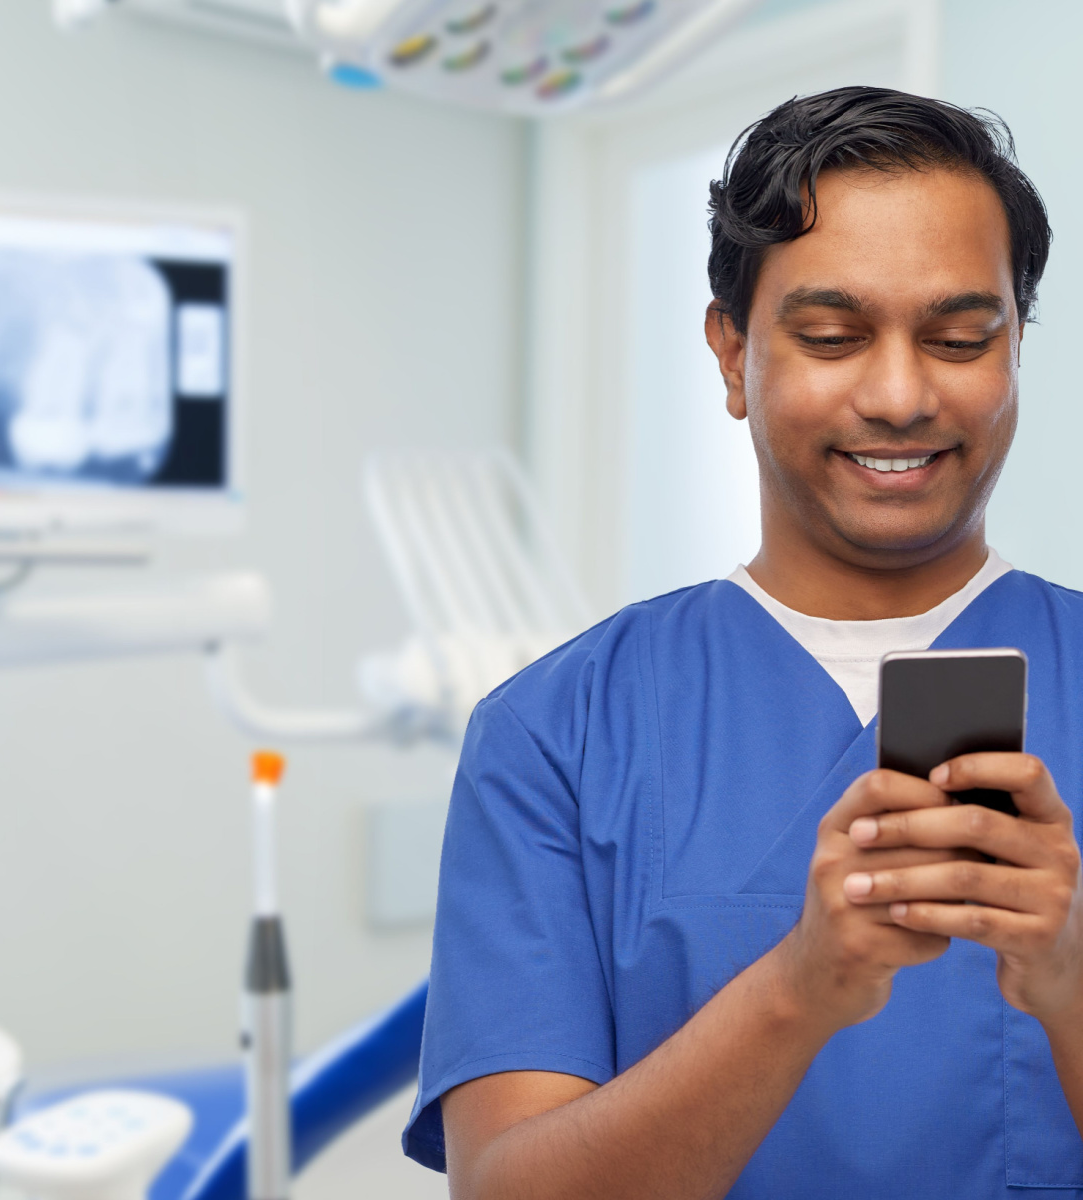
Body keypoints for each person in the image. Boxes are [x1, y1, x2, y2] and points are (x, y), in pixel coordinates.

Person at [401, 87, 1083, 1198]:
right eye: (833, 338)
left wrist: (1071, 984)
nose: (901, 394)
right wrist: (799, 991)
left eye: (960, 339)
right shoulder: (556, 737)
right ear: (731, 355)